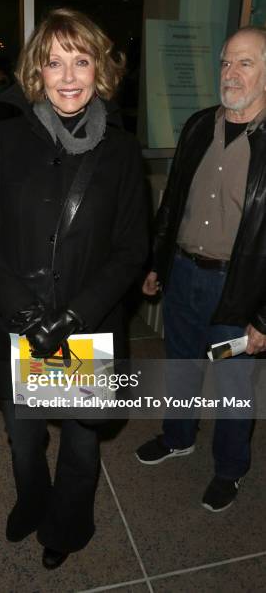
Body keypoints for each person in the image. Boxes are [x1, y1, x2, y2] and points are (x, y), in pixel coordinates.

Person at [0, 9, 148, 568]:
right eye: (54, 62)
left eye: (81, 60)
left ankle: (66, 527)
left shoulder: (118, 152)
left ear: (101, 70)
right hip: (17, 325)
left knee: (80, 439)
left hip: (84, 329)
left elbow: (130, 249)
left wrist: (73, 316)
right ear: (35, 73)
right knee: (24, 440)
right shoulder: (4, 141)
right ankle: (31, 500)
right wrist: (23, 311)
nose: (68, 77)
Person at [136, 26, 266, 512]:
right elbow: (172, 204)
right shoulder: (197, 126)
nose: (231, 73)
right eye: (226, 62)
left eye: (245, 63)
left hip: (238, 291)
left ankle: (230, 469)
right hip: (185, 273)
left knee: (233, 385)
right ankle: (178, 436)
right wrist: (157, 261)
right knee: (182, 364)